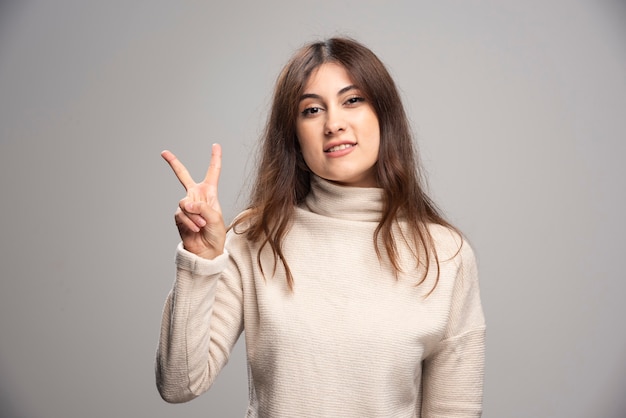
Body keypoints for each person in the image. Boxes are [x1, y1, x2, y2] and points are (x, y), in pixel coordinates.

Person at [156, 37, 486, 417]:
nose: (334, 124)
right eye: (312, 110)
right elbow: (179, 383)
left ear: (384, 115)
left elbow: (454, 410)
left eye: (353, 100)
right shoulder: (255, 237)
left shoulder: (445, 254)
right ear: (294, 135)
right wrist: (200, 261)